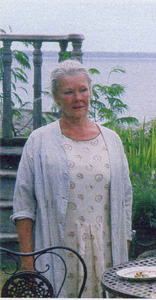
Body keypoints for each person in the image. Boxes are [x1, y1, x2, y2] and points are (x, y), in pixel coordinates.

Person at [11, 59, 133, 298]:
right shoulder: (39, 141)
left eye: (83, 90)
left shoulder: (112, 140)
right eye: (68, 92)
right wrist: (28, 264)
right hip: (58, 250)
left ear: (90, 92)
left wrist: (123, 248)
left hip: (106, 250)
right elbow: (23, 206)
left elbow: (125, 201)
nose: (78, 98)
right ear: (56, 97)